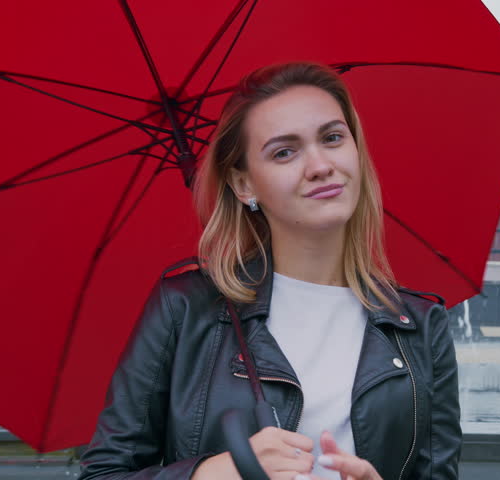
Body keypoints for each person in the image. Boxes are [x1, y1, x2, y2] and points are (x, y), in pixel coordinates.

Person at [77, 61, 461, 480]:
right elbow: (103, 473)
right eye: (284, 152)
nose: (319, 165)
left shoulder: (421, 329)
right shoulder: (186, 307)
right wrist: (214, 473)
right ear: (245, 185)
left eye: (332, 138)